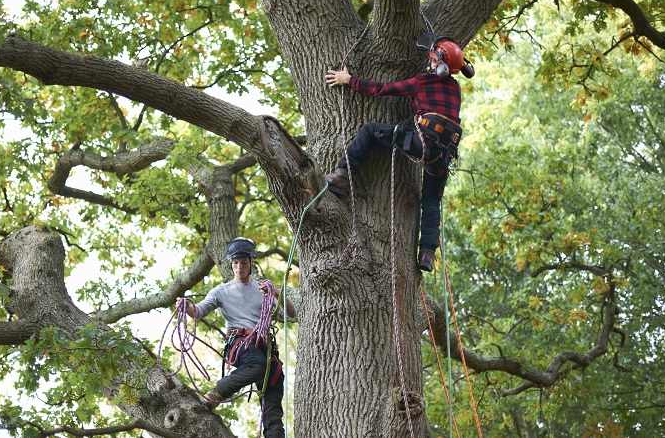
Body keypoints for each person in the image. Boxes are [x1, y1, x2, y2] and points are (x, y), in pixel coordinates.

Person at [323, 34, 474, 272]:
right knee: (432, 200)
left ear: (440, 64)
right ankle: (427, 252)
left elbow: (383, 89)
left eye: (433, 59)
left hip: (421, 141)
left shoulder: (423, 81)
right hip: (444, 154)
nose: (430, 62)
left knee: (371, 131)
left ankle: (343, 176)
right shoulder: (455, 89)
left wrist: (349, 79)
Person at [176, 237, 295, 438]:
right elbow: (199, 311)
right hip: (240, 344)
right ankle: (217, 392)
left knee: (274, 389)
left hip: (264, 346)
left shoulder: (263, 290)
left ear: (251, 263)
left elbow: (291, 312)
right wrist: (187, 307)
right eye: (235, 263)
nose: (239, 267)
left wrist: (275, 291)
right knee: (257, 366)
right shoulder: (221, 291)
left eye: (243, 262)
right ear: (231, 264)